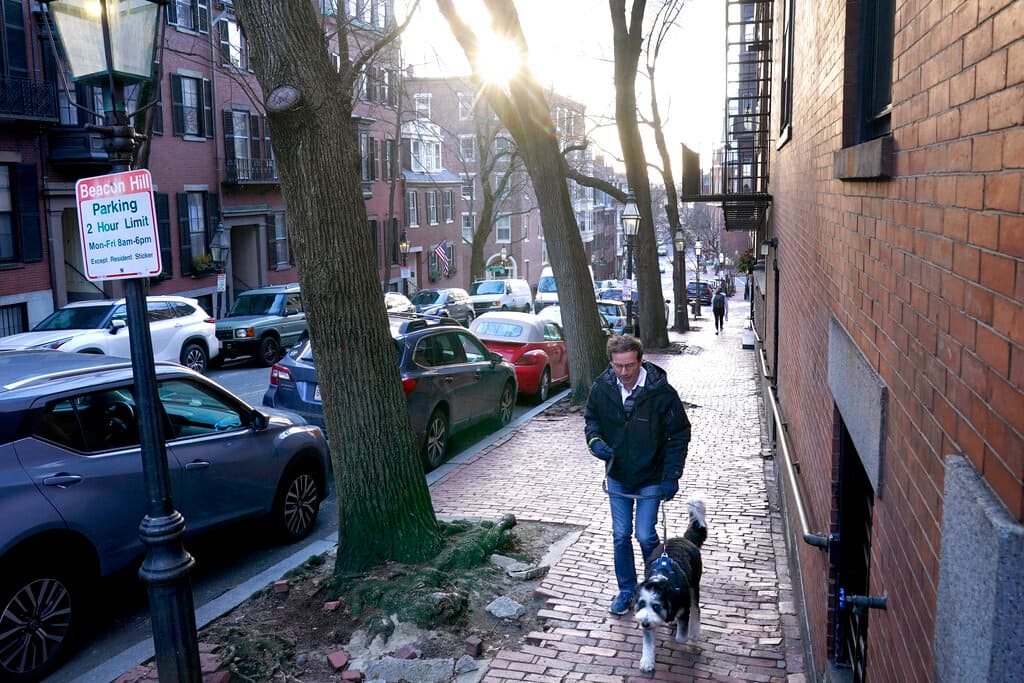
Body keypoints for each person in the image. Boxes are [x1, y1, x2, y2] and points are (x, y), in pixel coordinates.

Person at [584, 335, 692, 615]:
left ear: (640, 361)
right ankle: (627, 589)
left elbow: (679, 433)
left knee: (645, 535)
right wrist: (595, 442)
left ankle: (656, 585)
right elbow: (592, 419)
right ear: (611, 363)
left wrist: (672, 476)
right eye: (618, 366)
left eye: (629, 366)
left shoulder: (661, 393)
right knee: (620, 534)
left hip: (652, 477)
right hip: (618, 475)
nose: (624, 373)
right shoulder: (602, 388)